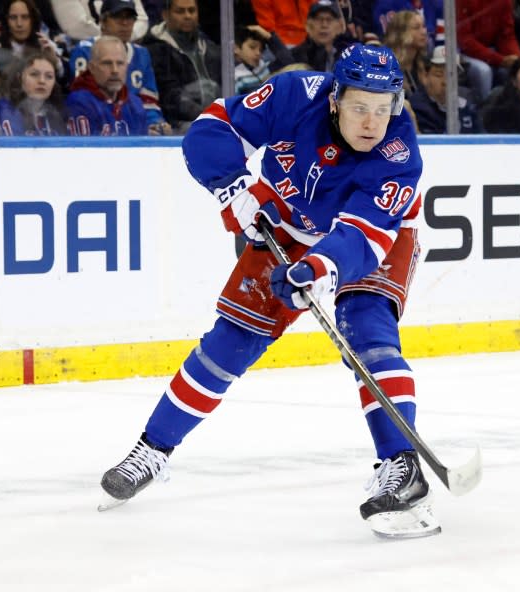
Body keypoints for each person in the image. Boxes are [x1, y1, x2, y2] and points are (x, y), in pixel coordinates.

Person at [99, 43, 439, 539]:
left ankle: (401, 466)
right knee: (231, 341)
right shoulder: (294, 95)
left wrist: (320, 269)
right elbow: (212, 128)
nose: (372, 123)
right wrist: (234, 187)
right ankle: (152, 451)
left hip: (375, 239)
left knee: (368, 330)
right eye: (360, 107)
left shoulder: (399, 155)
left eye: (383, 109)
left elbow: (362, 237)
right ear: (334, 99)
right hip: (287, 224)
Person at [69, 0, 171, 134]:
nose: (125, 23)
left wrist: (155, 123)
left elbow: (149, 100)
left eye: (130, 18)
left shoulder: (142, 54)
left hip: (132, 116)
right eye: (117, 17)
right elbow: (82, 89)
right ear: (103, 21)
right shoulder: (84, 50)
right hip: (100, 116)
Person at [142, 0, 221, 132]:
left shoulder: (211, 48)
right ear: (165, 15)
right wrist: (208, 117)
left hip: (213, 119)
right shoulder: (154, 50)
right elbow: (169, 99)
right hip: (177, 124)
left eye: (191, 11)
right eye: (180, 11)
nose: (187, 16)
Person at [66, 35, 145, 135]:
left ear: (127, 67)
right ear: (92, 68)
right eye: (107, 63)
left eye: (120, 63)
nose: (115, 70)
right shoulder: (79, 102)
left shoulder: (135, 104)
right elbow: (84, 145)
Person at [457, 0, 520, 102]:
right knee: (484, 71)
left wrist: (518, 59)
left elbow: (506, 35)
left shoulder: (504, 2)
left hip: (491, 51)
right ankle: (484, 108)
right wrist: (500, 60)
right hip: (461, 52)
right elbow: (465, 41)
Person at [408, 46, 480, 133]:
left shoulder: (467, 102)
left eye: (451, 75)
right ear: (425, 76)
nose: (445, 82)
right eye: (439, 75)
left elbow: (482, 136)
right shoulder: (417, 108)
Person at [0, 52, 68, 134]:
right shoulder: (4, 109)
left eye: (49, 76)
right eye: (34, 74)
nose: (42, 81)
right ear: (19, 78)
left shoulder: (56, 115)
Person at [0, 0, 64, 79]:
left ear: (33, 20)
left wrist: (55, 61)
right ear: (6, 21)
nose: (19, 24)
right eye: (13, 17)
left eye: (25, 17)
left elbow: (64, 80)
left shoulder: (45, 46)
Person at [292, 0, 354, 72]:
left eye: (329, 19)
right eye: (318, 19)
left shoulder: (349, 55)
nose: (324, 25)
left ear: (340, 26)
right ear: (308, 25)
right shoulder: (295, 56)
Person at [232, 24, 294, 95]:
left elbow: (288, 62)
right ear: (236, 48)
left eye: (260, 50)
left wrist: (269, 36)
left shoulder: (264, 67)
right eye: (252, 47)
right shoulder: (236, 77)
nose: (258, 53)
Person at [51, 0, 149, 42]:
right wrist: (111, 37)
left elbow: (142, 20)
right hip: (85, 47)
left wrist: (123, 35)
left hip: (128, 44)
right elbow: (76, 27)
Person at [383, 10, 428, 95]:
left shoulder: (424, 64)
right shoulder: (386, 66)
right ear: (401, 33)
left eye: (423, 26)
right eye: (416, 28)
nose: (424, 32)